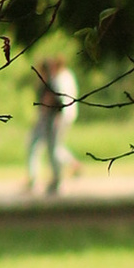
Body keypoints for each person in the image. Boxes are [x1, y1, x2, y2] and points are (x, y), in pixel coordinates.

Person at [26, 53, 79, 196]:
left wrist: (42, 117)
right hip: (53, 118)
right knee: (51, 148)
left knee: (52, 148)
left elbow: (51, 102)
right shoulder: (54, 81)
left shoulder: (51, 83)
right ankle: (58, 176)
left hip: (53, 119)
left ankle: (56, 180)